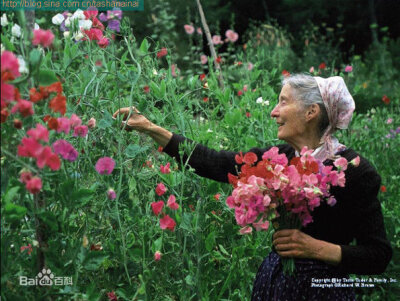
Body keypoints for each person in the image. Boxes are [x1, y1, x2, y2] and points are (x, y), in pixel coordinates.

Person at [113, 74, 392, 300]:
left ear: (311, 112)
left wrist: (316, 248)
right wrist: (149, 127)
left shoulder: (354, 170)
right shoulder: (278, 158)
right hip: (275, 284)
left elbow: (378, 256)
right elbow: (213, 162)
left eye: (283, 102)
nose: (273, 112)